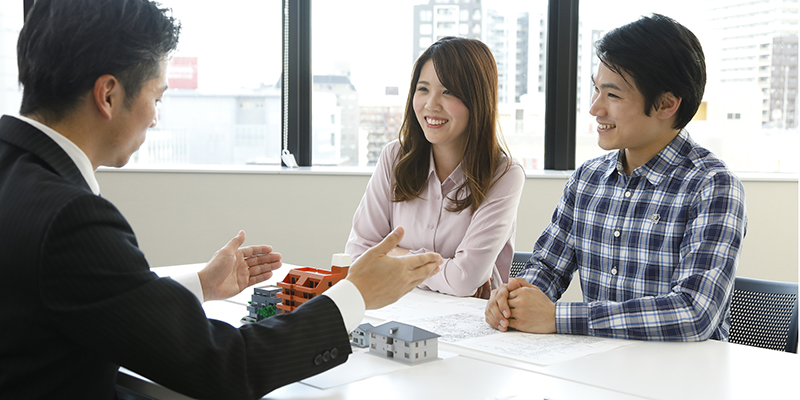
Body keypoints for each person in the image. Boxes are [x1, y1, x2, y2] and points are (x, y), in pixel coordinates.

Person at [0, 1, 443, 399]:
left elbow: (93, 300)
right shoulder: (73, 220)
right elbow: (226, 368)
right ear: (109, 95)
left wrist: (202, 286)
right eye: (157, 96)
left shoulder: (16, 175)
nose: (155, 117)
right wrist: (356, 294)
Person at [485, 14, 747, 341]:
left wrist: (558, 316)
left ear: (666, 104)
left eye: (613, 95)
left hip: (680, 381)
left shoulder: (712, 186)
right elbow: (547, 268)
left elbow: (694, 313)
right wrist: (514, 298)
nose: (596, 108)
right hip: (599, 371)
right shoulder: (587, 179)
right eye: (596, 90)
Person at [345, 36, 525, 298]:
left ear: (477, 100)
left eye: (448, 92)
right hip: (399, 312)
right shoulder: (394, 157)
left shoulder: (504, 173)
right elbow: (358, 254)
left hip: (470, 325)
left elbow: (464, 280)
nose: (431, 105)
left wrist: (394, 255)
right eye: (423, 89)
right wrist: (444, 270)